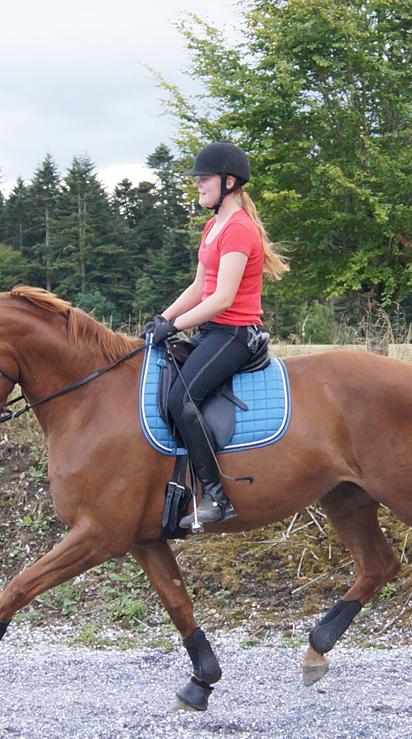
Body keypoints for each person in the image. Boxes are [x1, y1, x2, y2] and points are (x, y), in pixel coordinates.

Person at [144, 141, 289, 528]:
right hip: (212, 331)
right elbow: (199, 287)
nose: (197, 185)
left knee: (182, 398)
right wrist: (164, 317)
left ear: (228, 181)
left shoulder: (240, 229)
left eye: (203, 179)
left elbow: (223, 297)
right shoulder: (213, 226)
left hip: (236, 333)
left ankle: (217, 497)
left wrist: (175, 326)